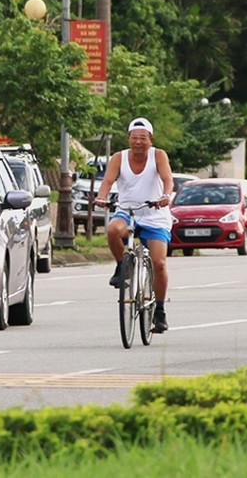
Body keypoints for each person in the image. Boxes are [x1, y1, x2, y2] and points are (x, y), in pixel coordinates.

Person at [94, 117, 174, 333]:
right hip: (127, 210)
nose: (138, 142)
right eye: (134, 137)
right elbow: (108, 182)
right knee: (112, 230)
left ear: (150, 139)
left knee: (159, 263)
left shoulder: (158, 155)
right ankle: (122, 265)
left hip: (154, 213)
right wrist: (101, 197)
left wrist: (166, 195)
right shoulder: (118, 158)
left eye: (143, 138)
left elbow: (168, 179)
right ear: (128, 138)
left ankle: (159, 310)